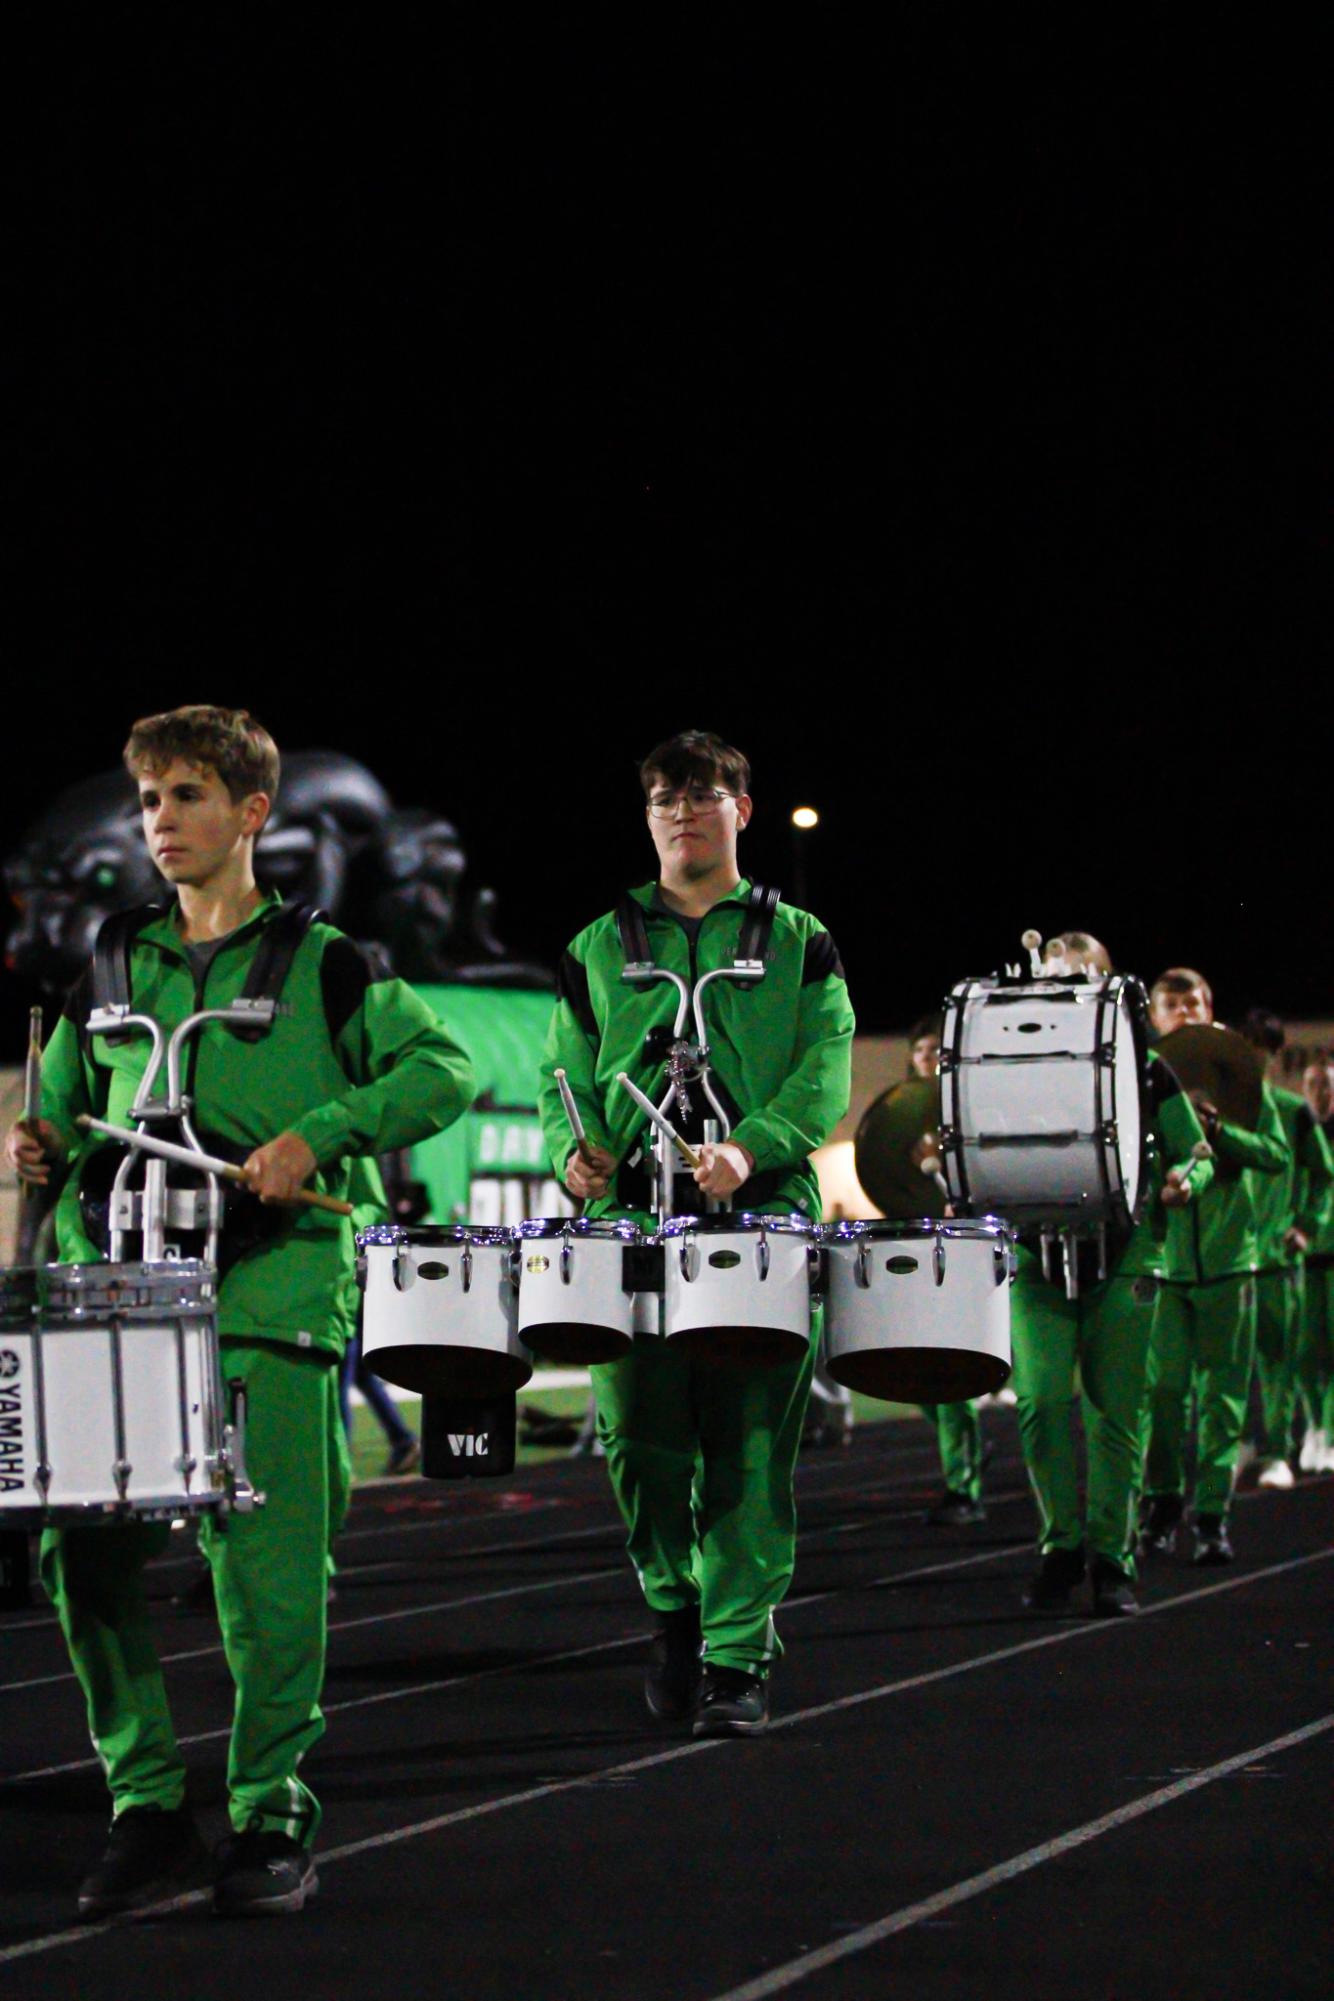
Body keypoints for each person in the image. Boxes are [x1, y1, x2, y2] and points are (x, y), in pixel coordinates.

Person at [4, 706, 476, 1920]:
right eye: (150, 801)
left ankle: (268, 1815)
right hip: (117, 1306)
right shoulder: (106, 960)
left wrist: (317, 1133)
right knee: (80, 1558)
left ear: (252, 813)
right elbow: (62, 1114)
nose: (160, 822)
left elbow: (443, 1075)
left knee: (267, 1582)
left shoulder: (330, 964)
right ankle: (145, 1804)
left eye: (187, 798)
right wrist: (44, 1144)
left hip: (269, 1306)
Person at [538, 730, 854, 1737]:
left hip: (757, 1215)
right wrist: (574, 1155)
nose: (684, 810)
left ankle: (733, 1655)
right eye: (666, 797)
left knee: (749, 1442)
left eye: (705, 794)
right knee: (639, 1437)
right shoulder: (597, 944)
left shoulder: (799, 938)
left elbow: (825, 1067)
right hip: (628, 1217)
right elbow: (564, 1077)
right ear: (647, 818)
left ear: (740, 811)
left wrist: (752, 1147)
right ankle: (673, 1604)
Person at [1006, 935, 1216, 1616]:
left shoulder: (1148, 1069)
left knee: (1114, 1416)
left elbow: (1199, 1151)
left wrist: (1188, 1176)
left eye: (1077, 981)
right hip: (1036, 1253)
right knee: (1038, 1405)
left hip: (1125, 1253)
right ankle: (1059, 1547)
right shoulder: (1010, 1065)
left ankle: (1113, 1557)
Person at [1138, 969, 1289, 1564]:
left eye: (1193, 1000)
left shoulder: (1241, 1078)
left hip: (1230, 1263)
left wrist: (1222, 1133)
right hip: (1165, 1263)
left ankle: (1211, 1517)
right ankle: (1162, 1504)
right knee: (1164, 1393)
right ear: (1155, 1014)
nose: (1184, 1011)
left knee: (1223, 1397)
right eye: (1171, 1004)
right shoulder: (1141, 1077)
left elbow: (1275, 1154)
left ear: (1210, 1006)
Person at [1237, 1014, 1334, 1488]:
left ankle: (1276, 1452)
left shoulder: (1292, 1111)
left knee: (1279, 1361)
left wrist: (1305, 1226)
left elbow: (1323, 1173)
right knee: (1224, 1368)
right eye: (1248, 1047)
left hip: (1276, 1259)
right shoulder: (1215, 1112)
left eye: (1265, 1050)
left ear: (1274, 1058)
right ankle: (1232, 1448)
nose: (1256, 1057)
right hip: (1226, 1261)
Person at [1295, 1059, 1334, 1471]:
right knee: (1306, 1352)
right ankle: (1314, 1425)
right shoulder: (1297, 1132)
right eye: (1313, 1084)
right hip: (1303, 1257)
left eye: (1327, 1085)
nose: (1321, 1092)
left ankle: (1330, 1432)